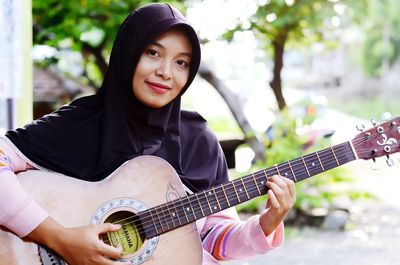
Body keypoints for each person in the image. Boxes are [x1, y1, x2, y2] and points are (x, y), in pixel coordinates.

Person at [0, 3, 295, 265]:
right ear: (128, 53)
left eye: (181, 62)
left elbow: (211, 239)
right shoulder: (79, 123)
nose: (166, 72)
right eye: (153, 53)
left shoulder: (199, 141)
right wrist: (59, 238)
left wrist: (265, 224)